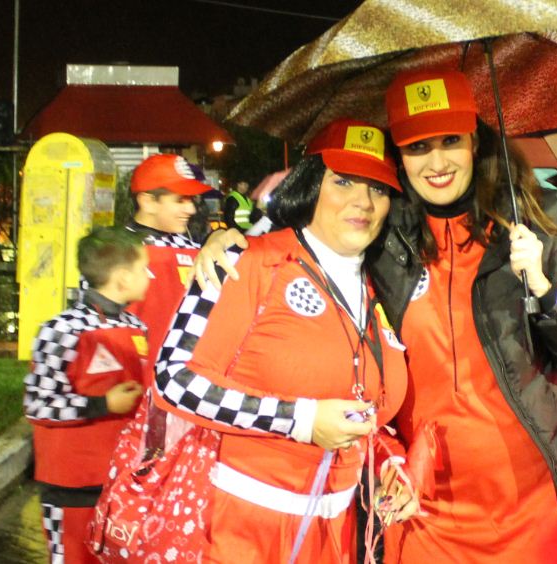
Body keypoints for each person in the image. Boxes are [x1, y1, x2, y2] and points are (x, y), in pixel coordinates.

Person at [371, 68, 557, 563]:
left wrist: (545, 289)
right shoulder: (380, 237)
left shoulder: (541, 218)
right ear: (397, 156)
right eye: (417, 147)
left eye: (450, 141)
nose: (437, 162)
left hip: (535, 506)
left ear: (475, 141)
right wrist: (228, 242)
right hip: (426, 512)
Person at [153, 118, 412, 563]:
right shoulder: (245, 262)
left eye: (378, 188)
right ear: (311, 186)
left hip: (337, 534)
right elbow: (174, 380)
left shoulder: (379, 289)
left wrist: (388, 461)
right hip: (241, 534)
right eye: (343, 181)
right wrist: (300, 420)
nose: (363, 201)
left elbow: (358, 405)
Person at [24, 227, 149, 563]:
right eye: (143, 269)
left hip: (123, 482)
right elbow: (38, 404)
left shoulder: (138, 328)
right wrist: (103, 404)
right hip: (72, 488)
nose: (149, 276)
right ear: (122, 278)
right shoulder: (62, 329)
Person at [125, 153, 211, 387]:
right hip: (132, 390)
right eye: (180, 200)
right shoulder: (114, 251)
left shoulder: (196, 250)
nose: (191, 209)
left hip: (184, 388)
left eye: (191, 200)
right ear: (148, 202)